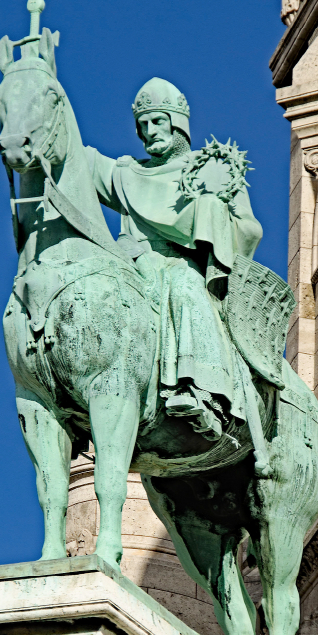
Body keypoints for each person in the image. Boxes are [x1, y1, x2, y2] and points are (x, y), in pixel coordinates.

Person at [84, 78, 263, 443]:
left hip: (182, 269)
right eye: (143, 125)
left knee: (183, 288)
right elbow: (78, 160)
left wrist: (212, 212)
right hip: (134, 265)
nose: (149, 132)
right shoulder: (125, 173)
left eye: (157, 122)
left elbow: (249, 230)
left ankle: (201, 391)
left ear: (176, 123)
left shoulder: (211, 171)